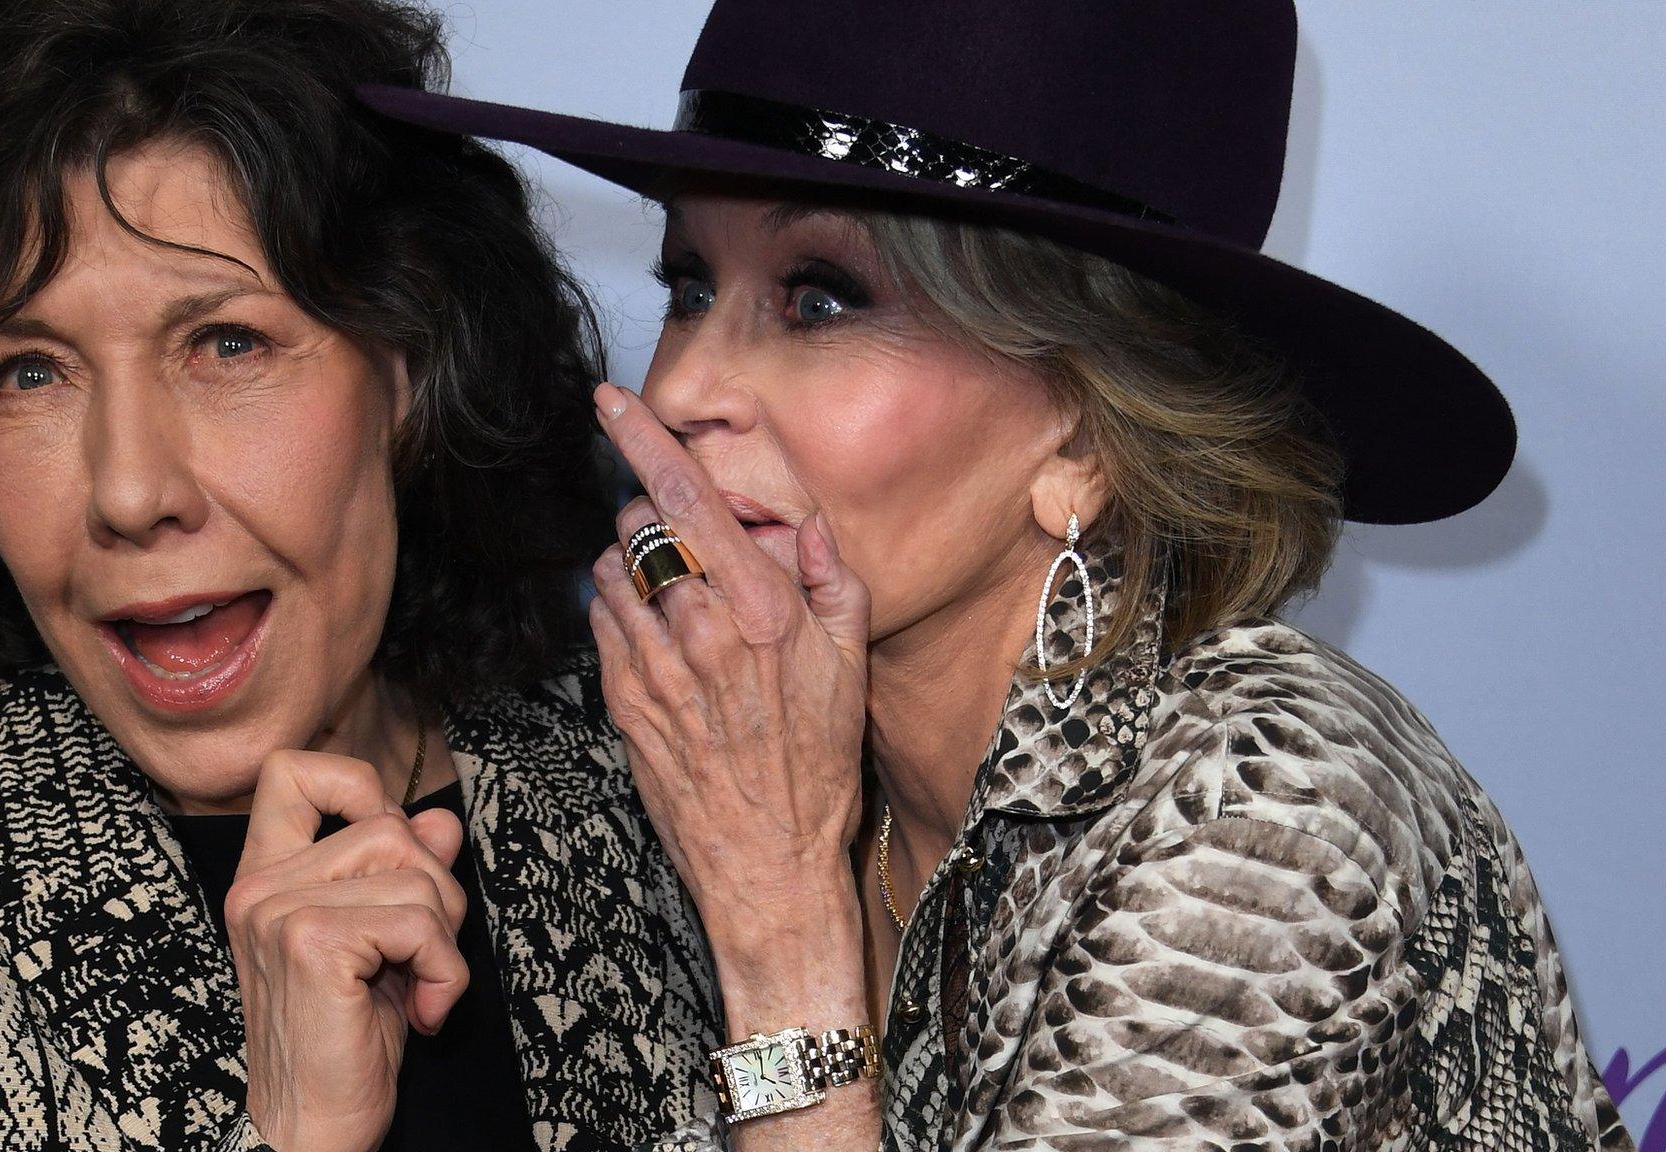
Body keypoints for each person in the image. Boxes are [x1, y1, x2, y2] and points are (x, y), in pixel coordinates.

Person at [363, 0, 1635, 1148]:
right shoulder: (706, 749)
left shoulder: (1272, 811)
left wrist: (780, 924)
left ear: (1083, 429)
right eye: (689, 284)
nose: (679, 386)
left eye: (819, 300)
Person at [0, 1, 723, 1149]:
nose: (126, 488)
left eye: (226, 345)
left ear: (407, 370)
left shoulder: (649, 766)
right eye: (27, 372)